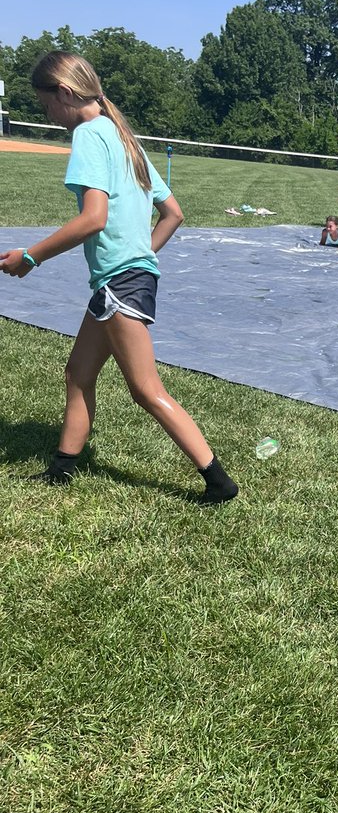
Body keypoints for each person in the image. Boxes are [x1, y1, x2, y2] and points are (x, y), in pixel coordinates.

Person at [0, 51, 238, 502]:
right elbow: (173, 214)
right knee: (78, 373)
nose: (46, 113)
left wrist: (31, 258)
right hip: (123, 280)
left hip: (119, 285)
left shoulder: (90, 135)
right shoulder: (123, 136)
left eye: (45, 103)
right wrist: (138, 255)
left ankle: (218, 481)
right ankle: (61, 470)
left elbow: (93, 219)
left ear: (65, 93)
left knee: (145, 390)